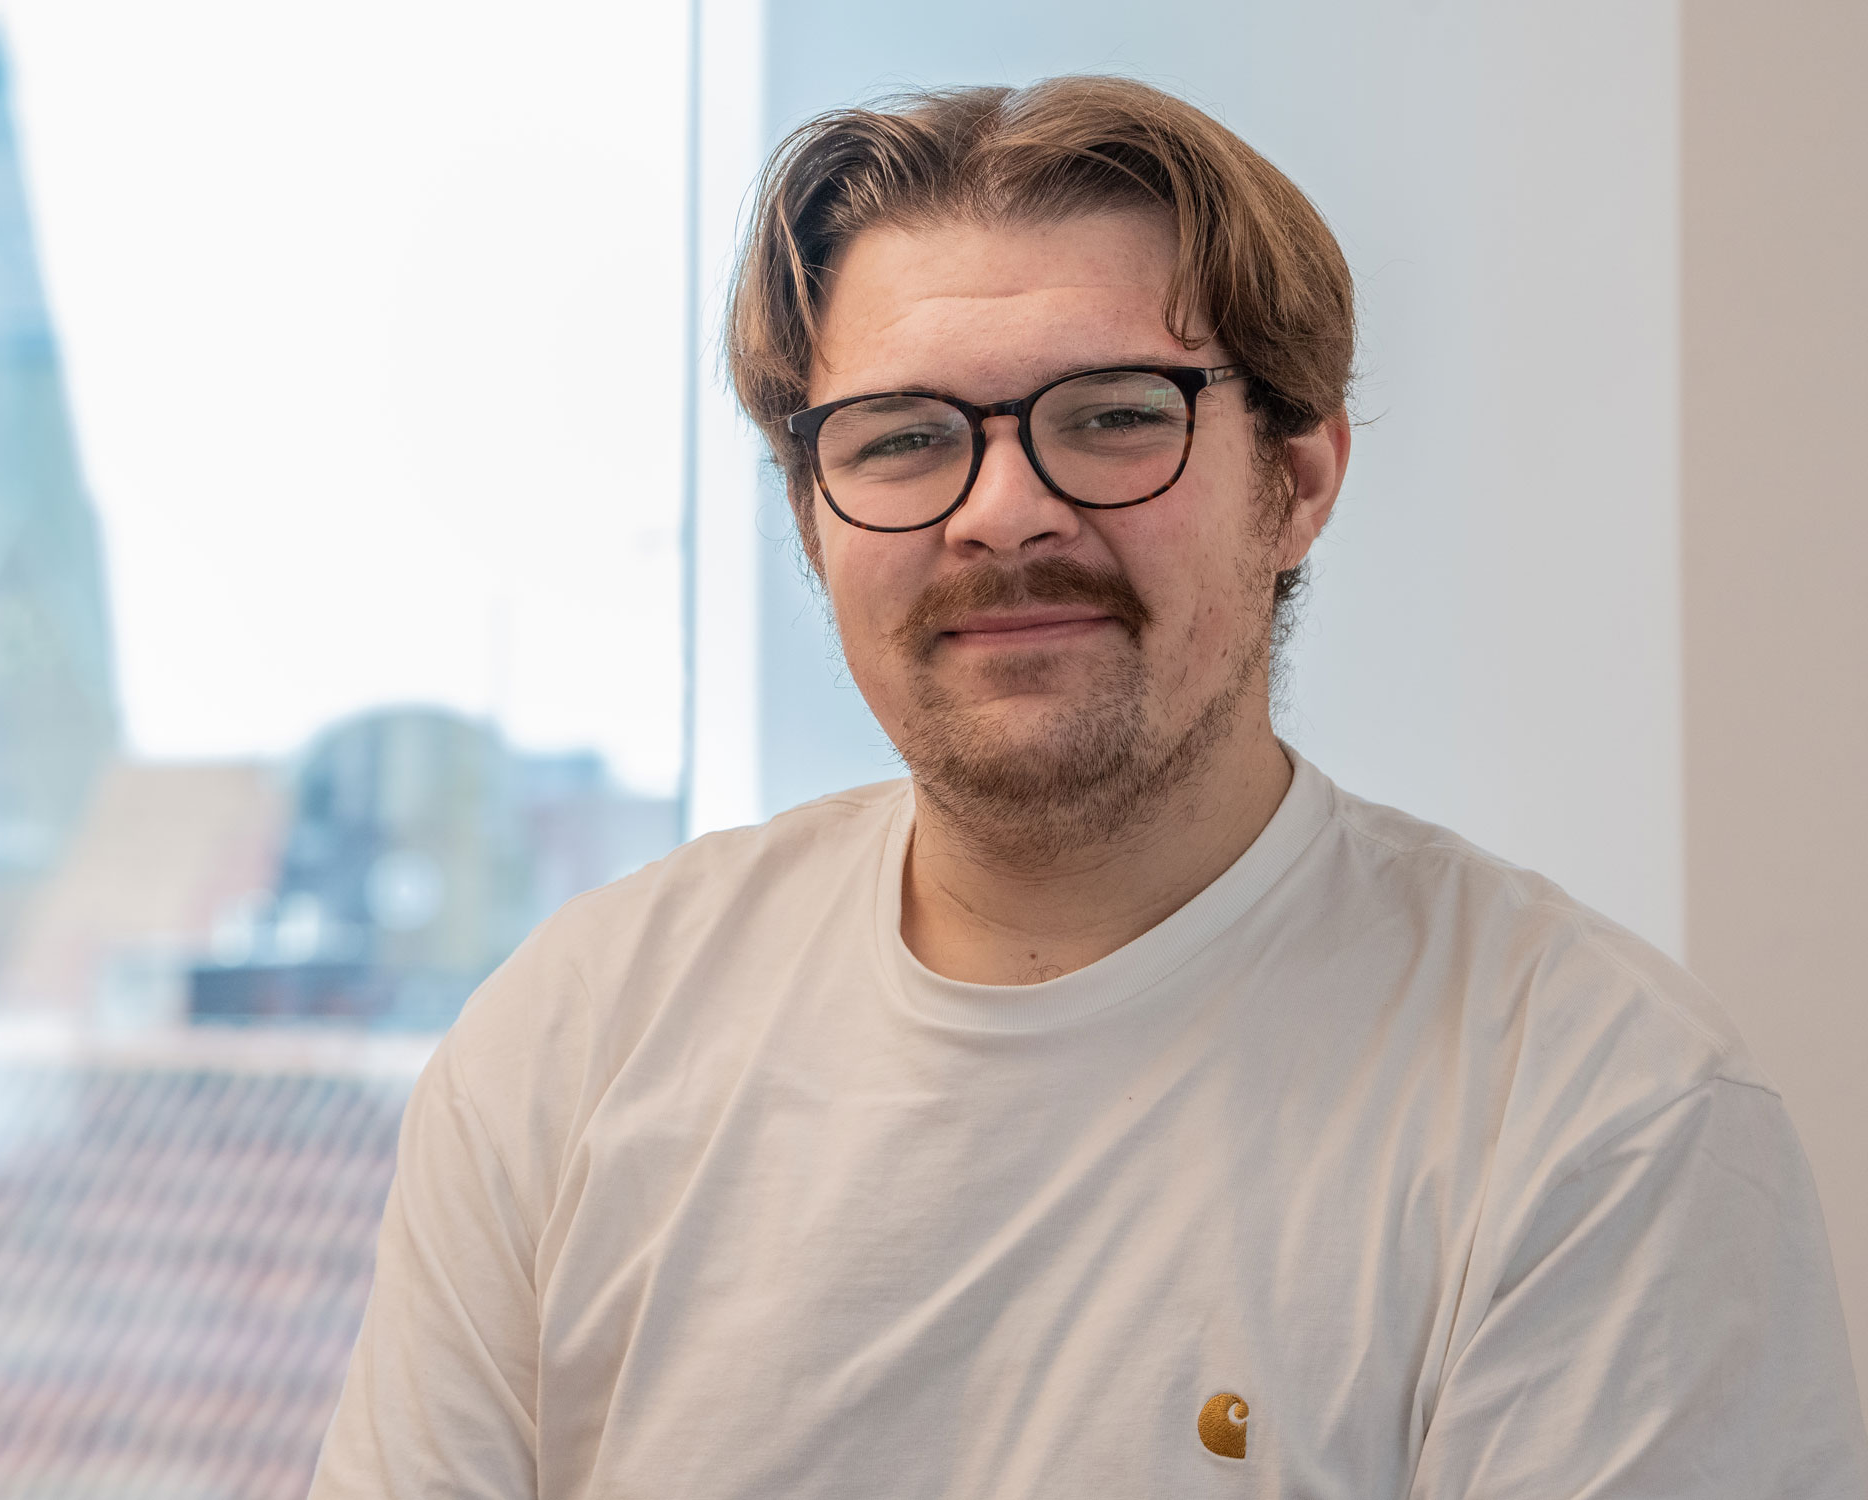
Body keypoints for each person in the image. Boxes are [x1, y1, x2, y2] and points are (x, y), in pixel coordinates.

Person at [309, 76, 1868, 1498]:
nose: (1000, 512)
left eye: (1114, 416)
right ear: (811, 517)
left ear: (1299, 479)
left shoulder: (1599, 1116)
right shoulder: (577, 1041)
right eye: (904, 438)